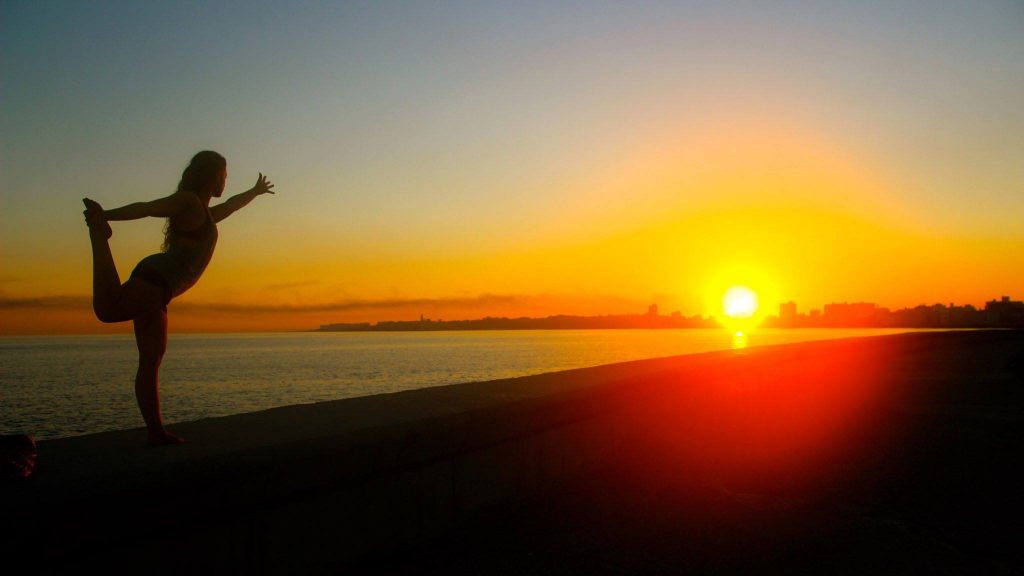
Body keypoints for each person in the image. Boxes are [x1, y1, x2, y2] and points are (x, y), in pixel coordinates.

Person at [81, 150, 275, 445]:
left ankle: (155, 432)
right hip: (156, 280)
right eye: (224, 175)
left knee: (151, 359)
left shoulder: (206, 214)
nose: (226, 180)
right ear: (211, 175)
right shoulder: (188, 202)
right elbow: (148, 208)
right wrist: (105, 216)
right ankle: (99, 235)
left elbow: (232, 205)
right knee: (107, 309)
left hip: (161, 289)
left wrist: (255, 191)